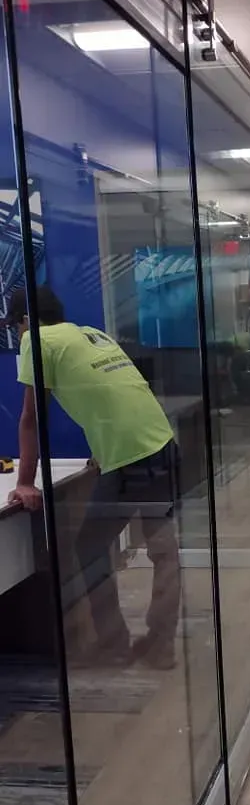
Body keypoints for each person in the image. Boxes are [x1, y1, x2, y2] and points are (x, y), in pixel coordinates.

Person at [5, 287, 180, 669]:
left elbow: (32, 419)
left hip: (131, 459)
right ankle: (161, 645)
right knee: (164, 551)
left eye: (15, 328)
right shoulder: (91, 334)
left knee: (88, 550)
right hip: (161, 443)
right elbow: (114, 396)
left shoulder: (36, 340)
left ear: (23, 322)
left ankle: (115, 646)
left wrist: (24, 483)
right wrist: (104, 450)